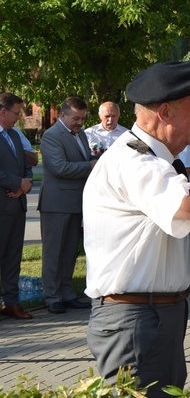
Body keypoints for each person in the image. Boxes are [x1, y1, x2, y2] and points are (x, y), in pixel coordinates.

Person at [83, 59, 190, 397]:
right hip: (134, 320)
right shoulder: (135, 162)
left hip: (156, 315)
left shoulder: (154, 160)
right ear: (165, 112)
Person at [39, 96, 95, 314]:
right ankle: (52, 297)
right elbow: (60, 168)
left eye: (82, 118)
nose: (80, 123)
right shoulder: (51, 136)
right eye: (76, 118)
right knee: (54, 252)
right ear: (63, 115)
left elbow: (85, 159)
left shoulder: (80, 135)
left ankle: (67, 293)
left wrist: (95, 160)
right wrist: (90, 165)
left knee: (70, 251)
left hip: (75, 203)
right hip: (56, 203)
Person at [0, 93, 34, 320]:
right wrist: (16, 183)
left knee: (13, 257)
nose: (19, 117)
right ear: (3, 111)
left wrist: (25, 185)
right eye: (16, 113)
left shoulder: (14, 134)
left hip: (17, 206)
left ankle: (11, 302)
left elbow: (27, 164)